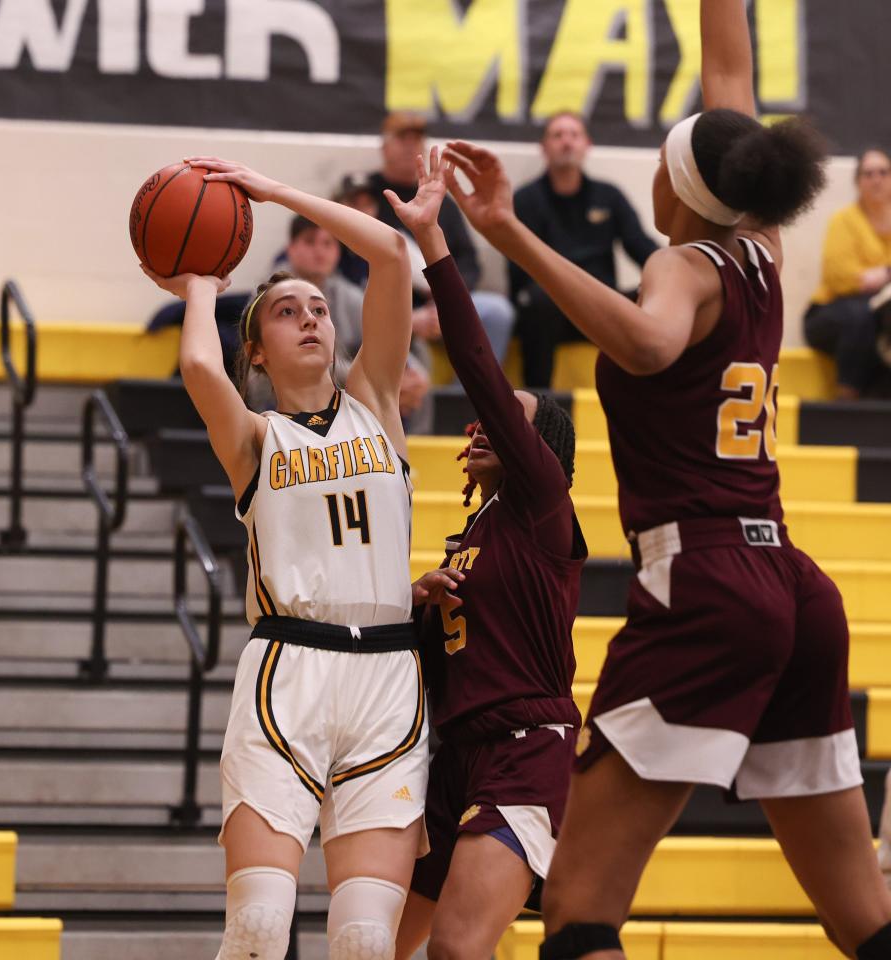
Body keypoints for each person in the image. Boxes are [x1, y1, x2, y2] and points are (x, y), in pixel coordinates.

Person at [442, 1, 891, 957]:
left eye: (657, 158)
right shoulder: (762, 247)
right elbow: (734, 86)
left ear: (681, 186)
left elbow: (648, 346)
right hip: (794, 588)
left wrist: (509, 233)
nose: (644, 167)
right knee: (865, 919)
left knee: (576, 912)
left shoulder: (681, 264)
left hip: (709, 589)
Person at [140, 156, 430, 960]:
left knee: (368, 942)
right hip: (286, 674)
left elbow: (391, 254)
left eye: (317, 310)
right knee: (260, 931)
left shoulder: (375, 400)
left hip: (389, 681)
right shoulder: (253, 439)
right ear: (258, 352)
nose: (309, 319)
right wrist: (202, 281)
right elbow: (200, 364)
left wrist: (270, 193)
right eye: (285, 313)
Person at [381, 149, 587, 960]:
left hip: (523, 753)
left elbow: (475, 367)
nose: (479, 426)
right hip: (453, 756)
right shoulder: (473, 536)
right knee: (373, 945)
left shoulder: (542, 505)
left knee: (458, 950)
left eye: (501, 421)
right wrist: (417, 602)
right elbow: (431, 664)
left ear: (533, 445)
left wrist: (435, 246)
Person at [510, 112, 658, 387]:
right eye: (557, 135)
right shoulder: (525, 199)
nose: (566, 142)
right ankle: (538, 404)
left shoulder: (609, 196)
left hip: (603, 308)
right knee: (537, 299)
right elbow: (519, 270)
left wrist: (673, 270)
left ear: (587, 144)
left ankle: (651, 394)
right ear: (544, 147)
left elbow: (640, 245)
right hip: (551, 307)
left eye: (574, 135)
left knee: (649, 297)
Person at [359, 112, 516, 366]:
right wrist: (412, 314)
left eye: (416, 140)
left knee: (498, 311)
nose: (410, 146)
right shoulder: (365, 196)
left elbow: (469, 260)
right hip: (390, 303)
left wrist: (446, 297)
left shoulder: (439, 199)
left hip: (444, 300)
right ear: (385, 147)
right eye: (402, 139)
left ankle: (470, 398)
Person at [273, 215, 433, 431]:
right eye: (310, 241)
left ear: (338, 251)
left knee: (417, 369)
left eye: (328, 243)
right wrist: (383, 379)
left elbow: (383, 335)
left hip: (343, 384)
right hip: (285, 390)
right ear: (290, 248)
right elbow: (301, 364)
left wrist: (410, 374)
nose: (320, 251)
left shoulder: (346, 293)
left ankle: (412, 452)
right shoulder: (272, 294)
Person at [804, 149, 891, 399]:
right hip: (829, 312)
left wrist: (878, 276)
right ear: (858, 182)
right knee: (862, 315)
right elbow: (839, 277)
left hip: (878, 315)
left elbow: (867, 280)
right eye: (869, 173)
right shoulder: (843, 220)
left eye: (883, 172)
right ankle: (846, 401)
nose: (877, 179)